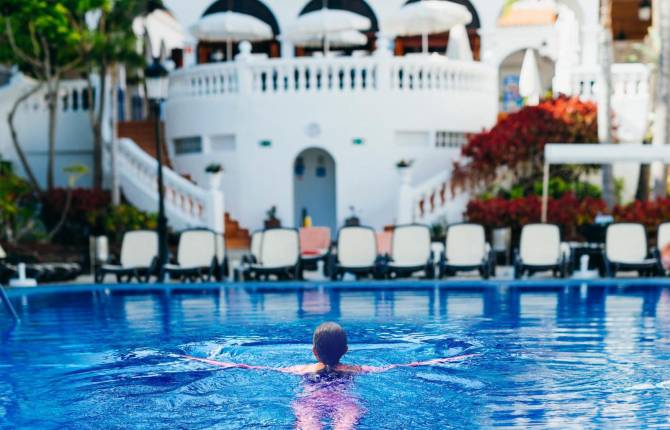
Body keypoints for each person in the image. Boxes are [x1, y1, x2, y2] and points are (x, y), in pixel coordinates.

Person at [180, 322, 475, 430]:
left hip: (311, 399)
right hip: (344, 399)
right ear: (346, 350)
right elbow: (401, 367)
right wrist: (448, 358)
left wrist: (203, 360)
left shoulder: (303, 370)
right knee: (346, 422)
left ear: (313, 351)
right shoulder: (355, 370)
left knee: (308, 420)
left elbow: (254, 368)